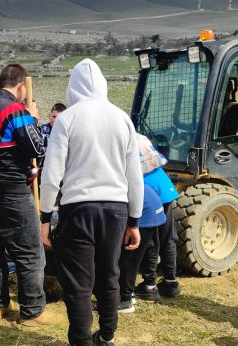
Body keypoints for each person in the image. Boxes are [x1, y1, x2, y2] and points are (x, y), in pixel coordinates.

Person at [39, 58, 143, 346]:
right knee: (110, 275)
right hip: (116, 210)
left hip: (79, 209)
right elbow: (135, 177)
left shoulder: (68, 119)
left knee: (78, 283)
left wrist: (45, 217)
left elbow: (51, 176)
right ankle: (106, 336)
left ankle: (81, 341)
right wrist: (134, 221)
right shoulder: (122, 119)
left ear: (72, 87)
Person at [0, 63, 59, 326]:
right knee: (29, 251)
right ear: (21, 86)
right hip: (12, 193)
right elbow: (38, 148)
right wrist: (34, 118)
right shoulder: (18, 112)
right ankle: (32, 311)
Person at [137, 134, 181, 299]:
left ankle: (149, 286)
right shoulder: (139, 138)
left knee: (151, 240)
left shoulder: (121, 140)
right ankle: (170, 282)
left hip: (149, 191)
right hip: (164, 185)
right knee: (168, 237)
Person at [118, 184, 165, 313]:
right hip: (153, 205)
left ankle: (125, 299)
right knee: (149, 247)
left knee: (128, 256)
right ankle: (149, 287)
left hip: (143, 210)